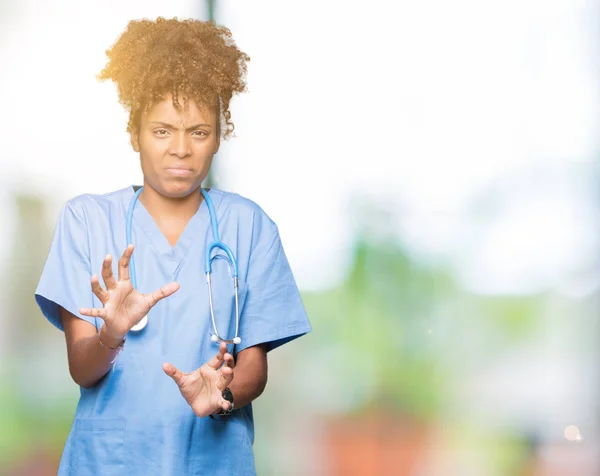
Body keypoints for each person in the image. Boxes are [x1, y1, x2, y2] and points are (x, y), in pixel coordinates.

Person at [34, 17, 311, 475]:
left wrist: (221, 396)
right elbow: (83, 369)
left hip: (214, 461)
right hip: (109, 462)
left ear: (219, 137)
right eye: (162, 130)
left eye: (198, 132)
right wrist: (112, 333)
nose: (181, 149)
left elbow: (254, 370)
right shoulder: (86, 221)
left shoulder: (250, 226)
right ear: (134, 133)